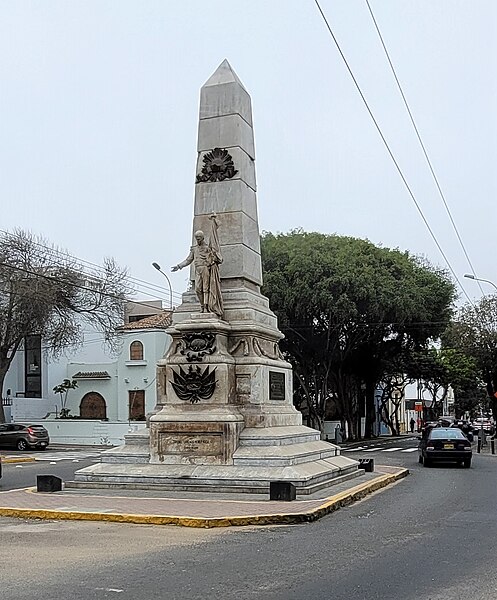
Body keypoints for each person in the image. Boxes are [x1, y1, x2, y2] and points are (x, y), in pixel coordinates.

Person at [172, 214, 223, 317]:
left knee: (205, 288)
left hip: (205, 269)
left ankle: (205, 307)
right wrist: (179, 266)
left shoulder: (207, 248)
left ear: (203, 238)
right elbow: (188, 260)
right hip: (197, 270)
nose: (198, 240)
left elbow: (215, 255)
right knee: (197, 289)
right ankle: (201, 305)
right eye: (196, 238)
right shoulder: (194, 248)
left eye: (199, 238)